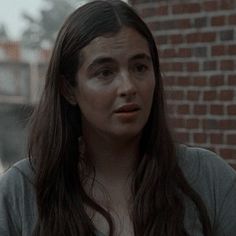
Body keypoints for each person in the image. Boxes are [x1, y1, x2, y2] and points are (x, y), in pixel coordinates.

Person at [0, 0, 236, 235]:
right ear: (68, 88)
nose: (128, 86)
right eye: (105, 72)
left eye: (140, 68)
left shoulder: (208, 179)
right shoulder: (21, 192)